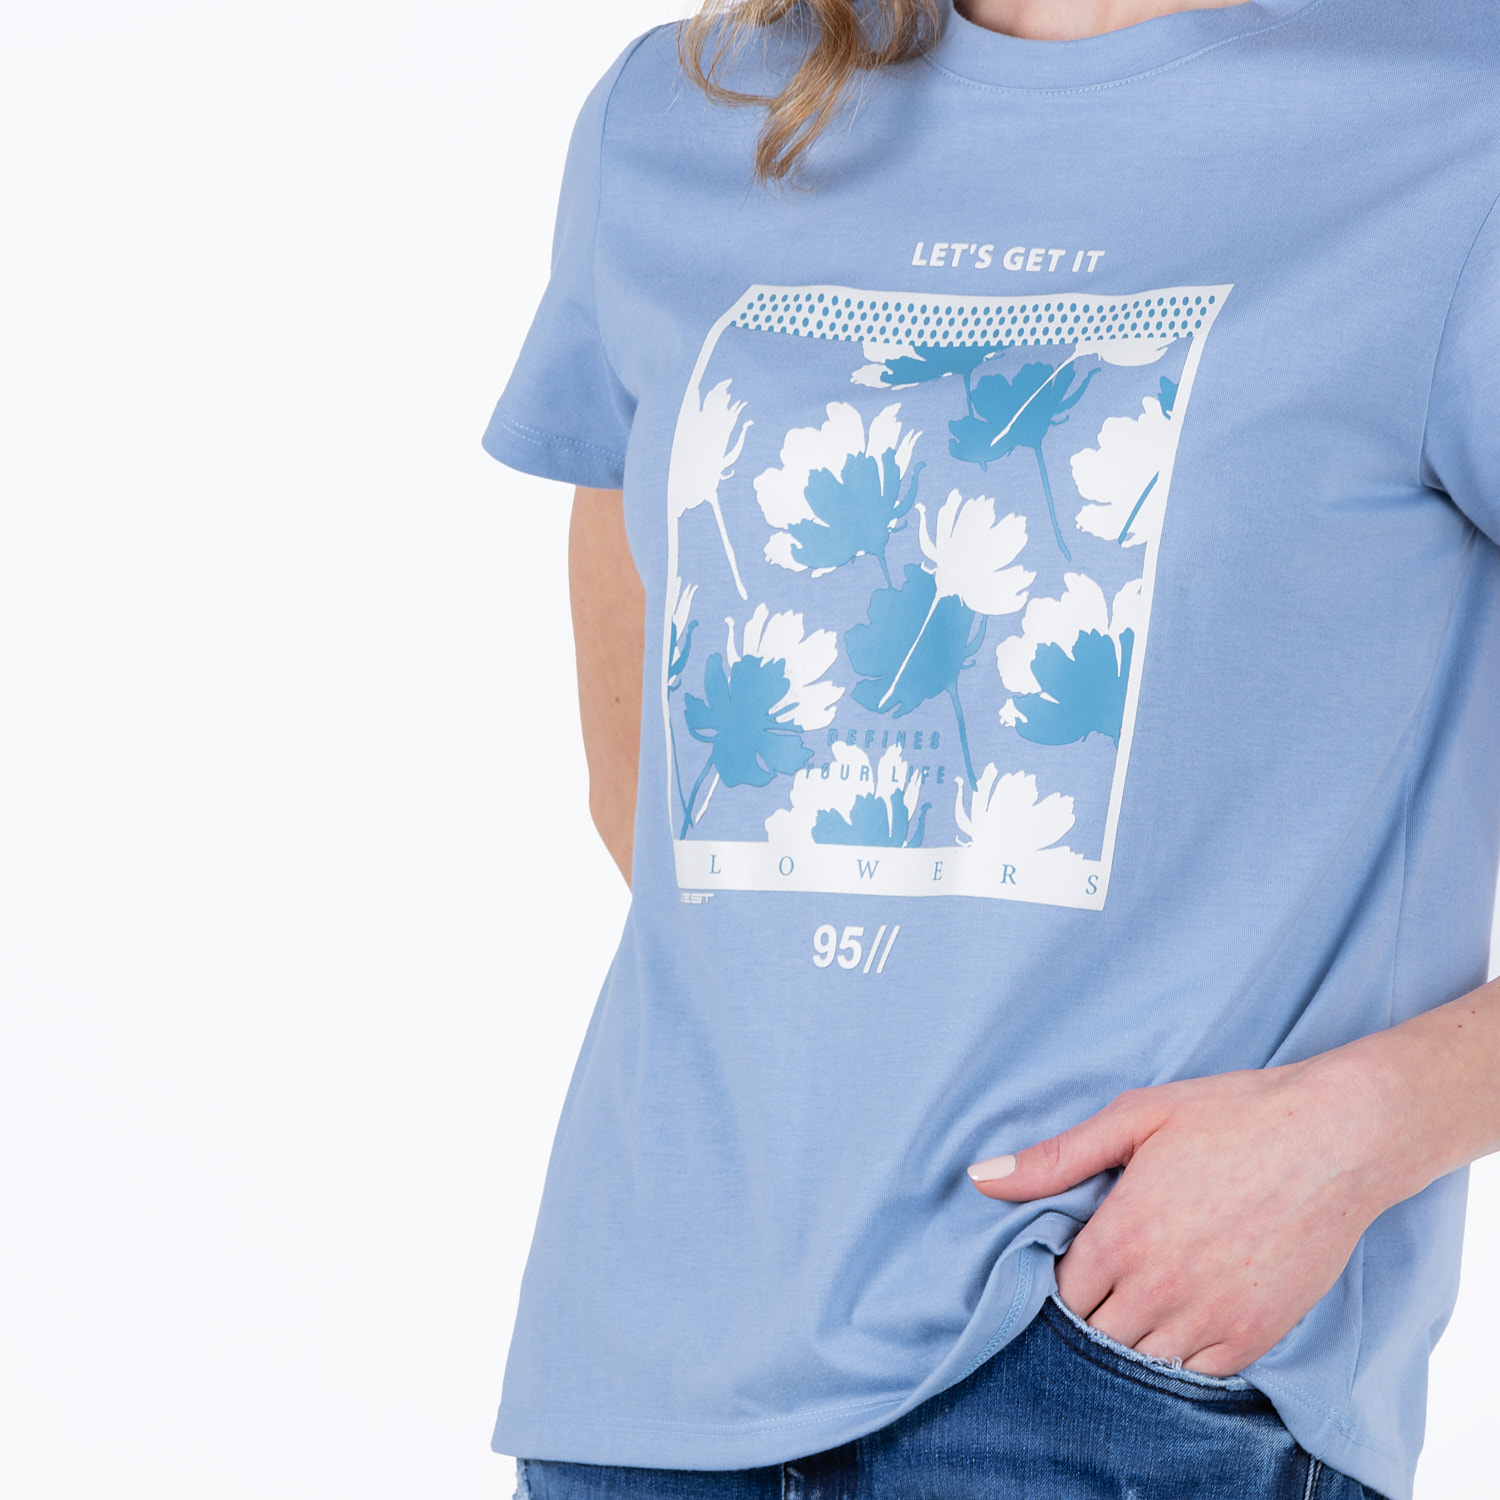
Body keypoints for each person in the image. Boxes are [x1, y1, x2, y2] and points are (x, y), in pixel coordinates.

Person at [482, 0, 1500, 1495]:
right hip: (648, 1383)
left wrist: (1358, 1131)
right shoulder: (687, 112)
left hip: (1119, 1369)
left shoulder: (1455, 118)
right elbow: (645, 777)